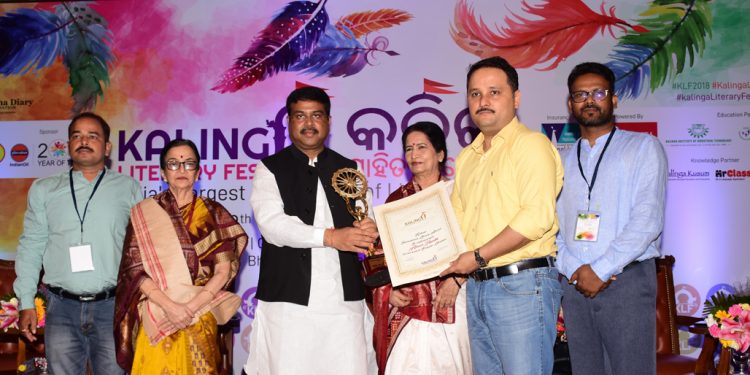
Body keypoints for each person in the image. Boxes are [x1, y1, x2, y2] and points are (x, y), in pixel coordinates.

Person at [440, 56, 564, 375]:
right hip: (478, 287)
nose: (483, 101)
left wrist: (478, 257)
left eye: (494, 92)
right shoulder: (467, 157)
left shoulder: (530, 145)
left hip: (522, 284)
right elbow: (456, 224)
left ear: (516, 98)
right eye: (475, 94)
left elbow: (536, 217)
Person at [244, 86, 378, 374]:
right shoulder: (269, 168)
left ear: (328, 121)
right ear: (289, 122)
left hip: (343, 301)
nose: (308, 123)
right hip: (288, 302)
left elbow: (365, 215)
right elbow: (272, 226)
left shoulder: (350, 168)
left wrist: (369, 228)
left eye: (316, 115)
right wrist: (330, 237)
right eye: (299, 116)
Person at [555, 62, 667, 375]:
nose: (589, 100)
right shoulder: (559, 160)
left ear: (614, 100)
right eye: (580, 94)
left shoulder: (643, 147)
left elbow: (648, 219)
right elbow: (549, 227)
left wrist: (601, 269)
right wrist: (575, 269)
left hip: (626, 282)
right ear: (570, 104)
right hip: (576, 287)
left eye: (598, 92)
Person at [13, 112, 141, 374]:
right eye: (77, 136)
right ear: (69, 145)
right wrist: (26, 302)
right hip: (61, 308)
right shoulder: (44, 189)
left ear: (106, 147)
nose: (84, 141)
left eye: (92, 136)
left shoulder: (128, 188)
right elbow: (31, 246)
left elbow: (139, 250)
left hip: (112, 307)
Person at [113, 139, 248, 374]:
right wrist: (170, 307)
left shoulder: (215, 213)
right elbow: (133, 270)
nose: (181, 169)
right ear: (163, 173)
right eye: (173, 164)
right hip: (158, 310)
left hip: (201, 311)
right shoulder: (144, 213)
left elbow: (223, 271)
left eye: (188, 164)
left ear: (198, 172)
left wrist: (188, 309)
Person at [372, 121, 472, 374]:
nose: (413, 155)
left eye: (421, 147)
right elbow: (381, 256)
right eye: (408, 149)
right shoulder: (395, 201)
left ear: (440, 154)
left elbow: (477, 244)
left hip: (454, 297)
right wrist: (388, 291)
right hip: (408, 305)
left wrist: (458, 280)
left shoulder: (459, 194)